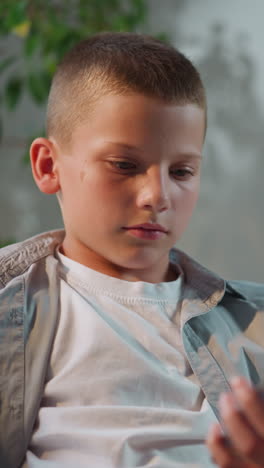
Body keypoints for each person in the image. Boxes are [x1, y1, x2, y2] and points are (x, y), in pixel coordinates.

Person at [0, 32, 263, 468]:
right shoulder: (10, 307)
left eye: (181, 171)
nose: (157, 196)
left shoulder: (251, 325)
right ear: (49, 167)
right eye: (124, 165)